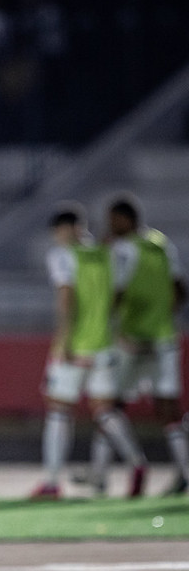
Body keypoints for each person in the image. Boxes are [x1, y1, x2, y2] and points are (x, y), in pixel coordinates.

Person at [30, 206, 146, 500]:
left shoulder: (63, 255)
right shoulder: (111, 254)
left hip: (76, 345)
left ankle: (53, 482)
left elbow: (66, 298)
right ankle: (137, 463)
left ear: (64, 229)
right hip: (105, 345)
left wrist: (63, 342)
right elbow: (118, 298)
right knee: (105, 412)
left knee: (58, 411)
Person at [90, 196, 188, 496]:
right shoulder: (161, 244)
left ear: (125, 219)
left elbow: (116, 293)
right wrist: (162, 319)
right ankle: (185, 472)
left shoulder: (121, 249)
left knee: (109, 406)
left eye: (113, 219)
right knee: (168, 409)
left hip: (131, 340)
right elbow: (179, 290)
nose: (109, 225)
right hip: (163, 338)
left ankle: (102, 476)